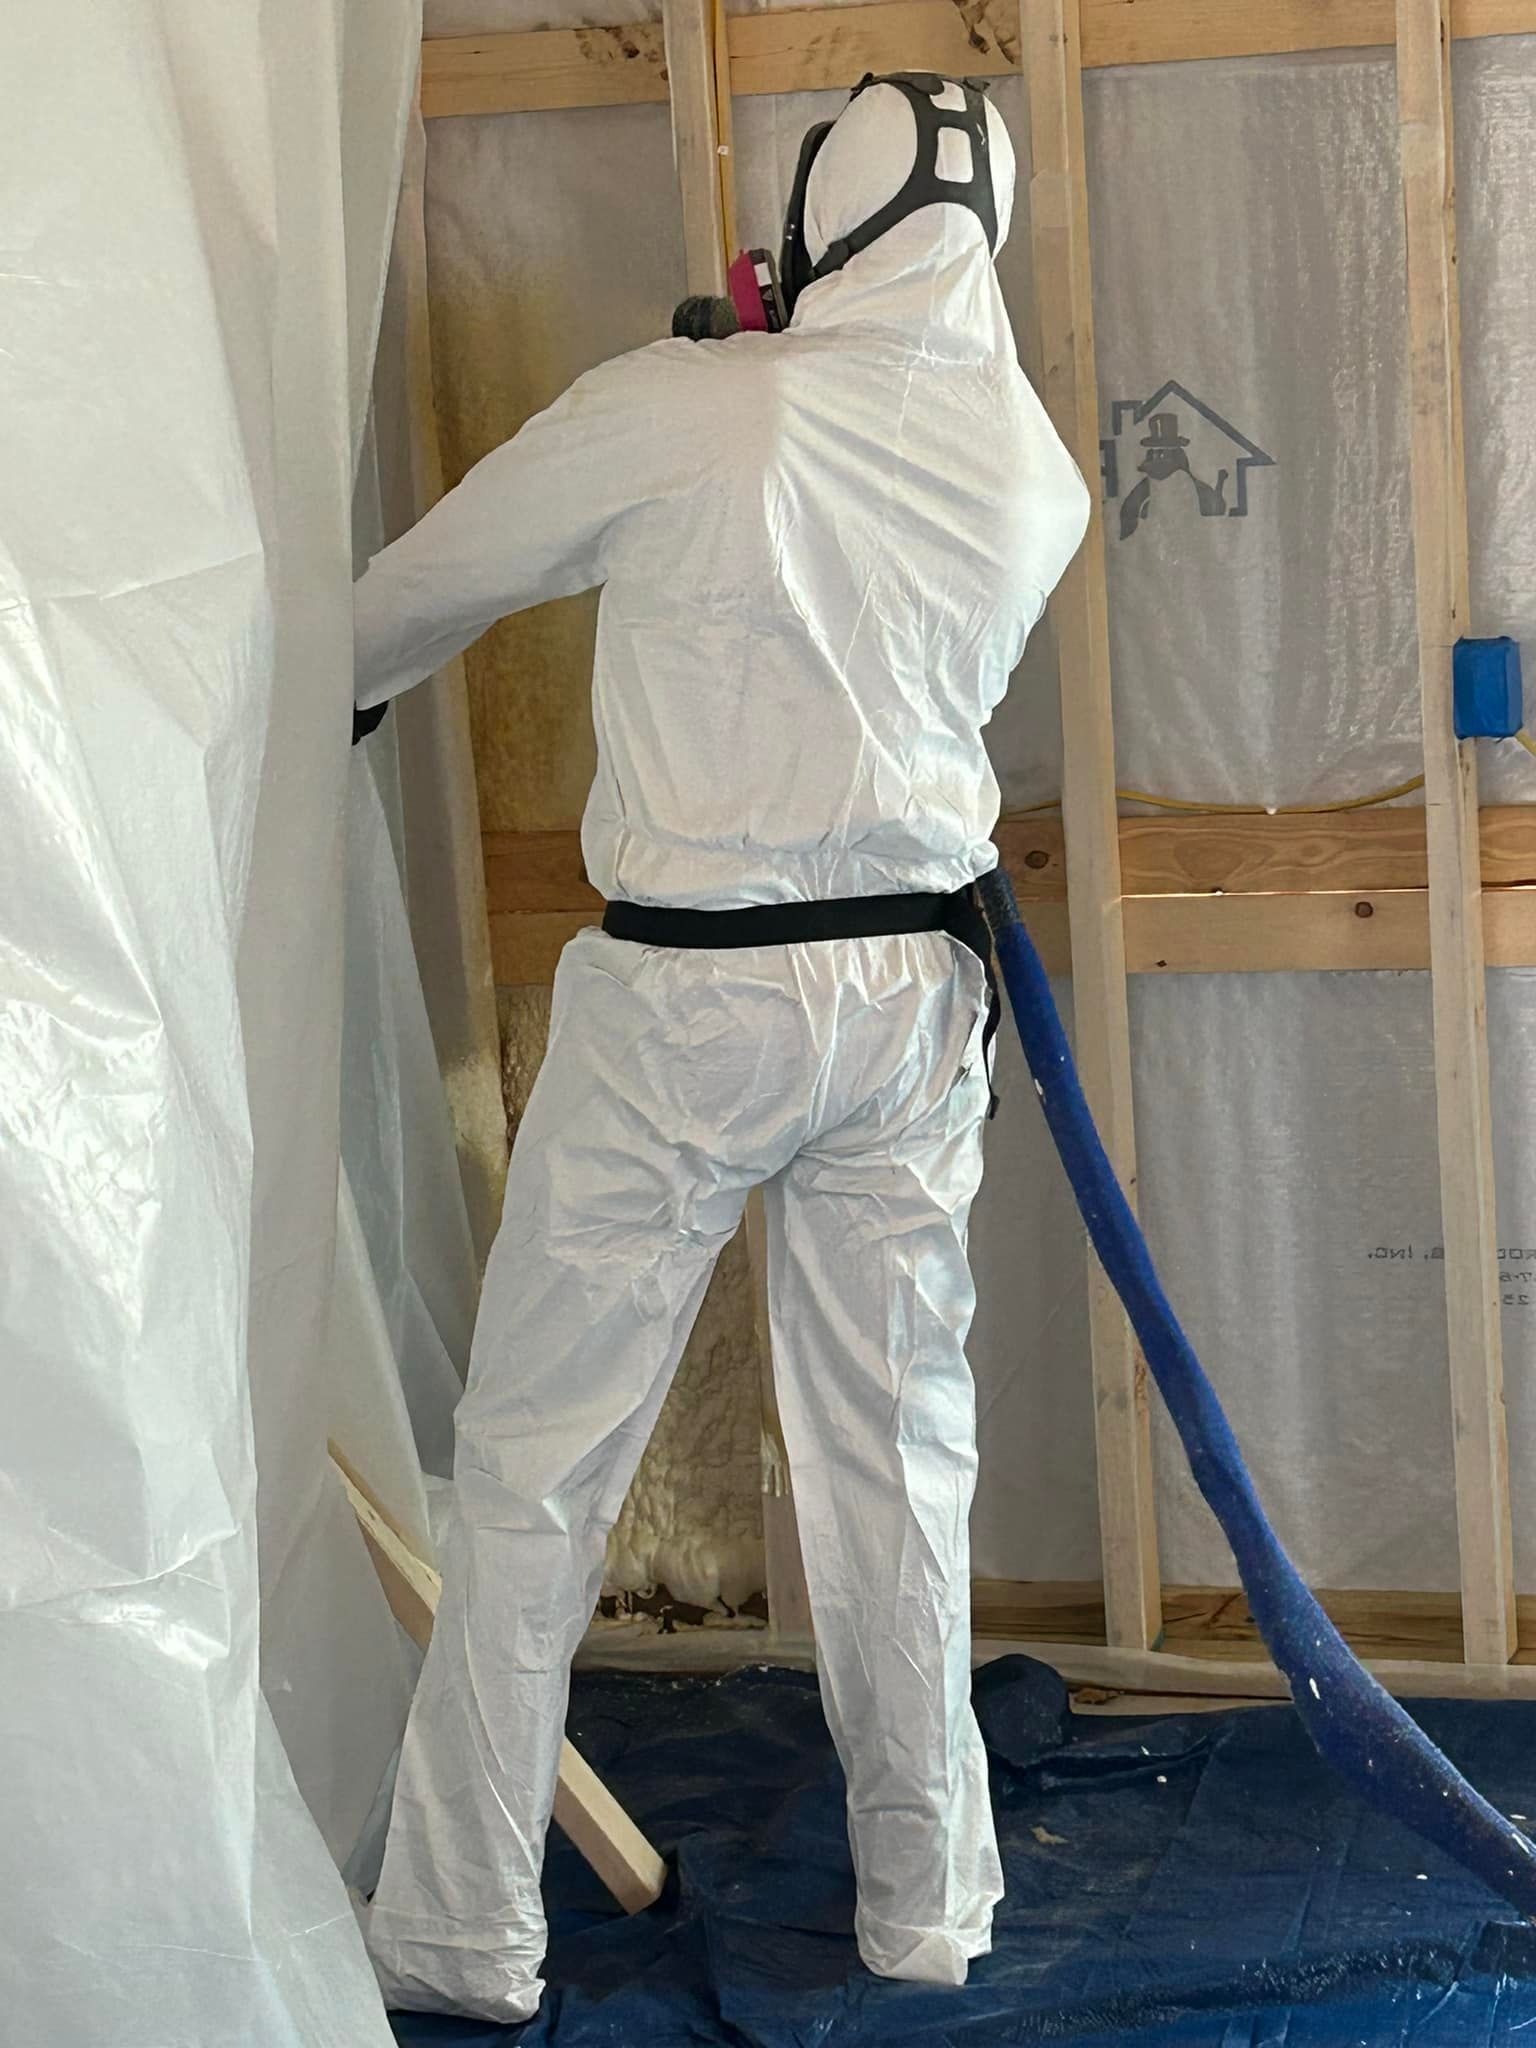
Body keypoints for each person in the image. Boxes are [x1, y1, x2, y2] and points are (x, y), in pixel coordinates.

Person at [352, 72, 1090, 2024]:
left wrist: (309, 694)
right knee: (895, 1460)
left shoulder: (688, 407)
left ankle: (455, 1929)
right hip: (910, 1009)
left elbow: (426, 587)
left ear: (815, 219)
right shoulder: (1029, 467)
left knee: (536, 1469)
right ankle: (929, 1911)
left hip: (687, 999)